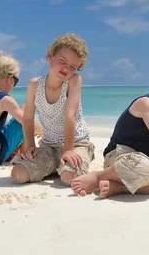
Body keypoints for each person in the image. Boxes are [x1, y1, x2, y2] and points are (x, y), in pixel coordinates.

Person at [70, 68, 149, 198]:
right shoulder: (145, 103)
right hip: (121, 158)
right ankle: (98, 176)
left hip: (145, 165)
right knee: (143, 168)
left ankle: (121, 188)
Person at [10, 33, 94, 186]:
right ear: (49, 56)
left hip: (76, 143)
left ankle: (64, 166)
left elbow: (69, 116)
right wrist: (30, 146)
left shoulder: (74, 81)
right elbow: (28, 118)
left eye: (73, 67)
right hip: (49, 146)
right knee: (18, 174)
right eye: (62, 60)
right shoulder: (34, 85)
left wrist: (68, 150)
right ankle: (54, 165)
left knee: (69, 177)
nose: (66, 68)